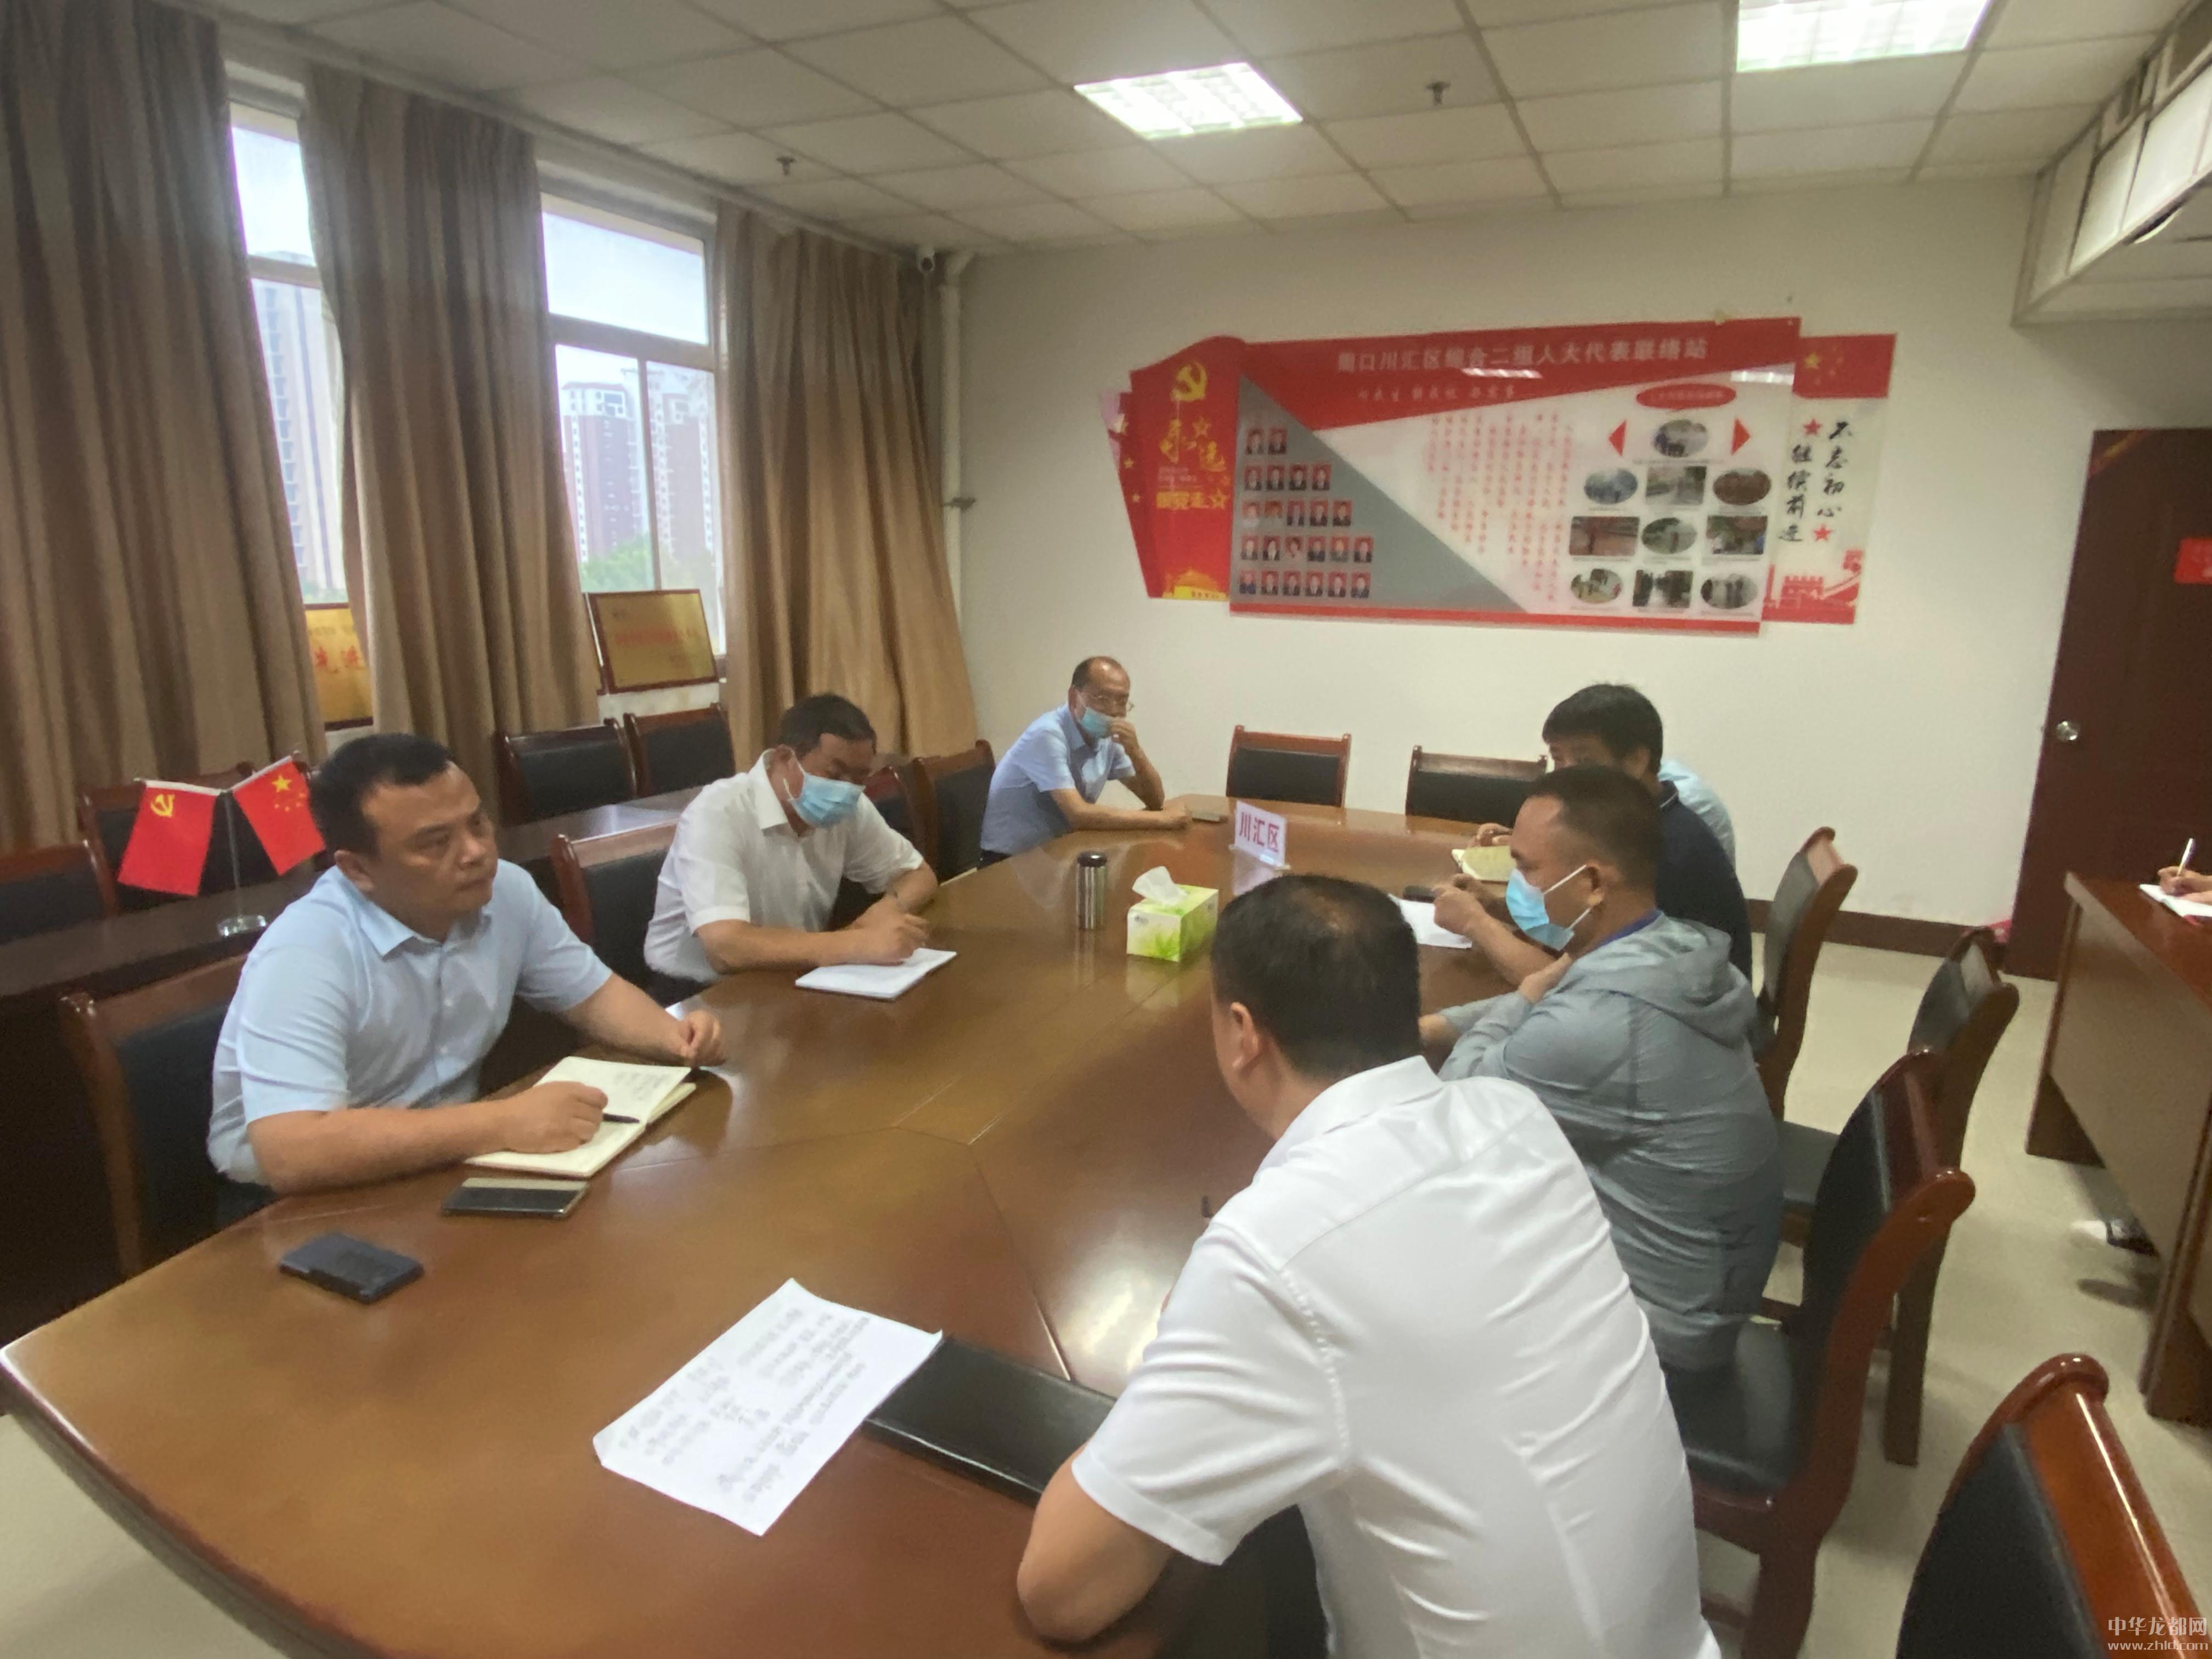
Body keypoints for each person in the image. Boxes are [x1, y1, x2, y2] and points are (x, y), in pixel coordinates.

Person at [1016, 875, 1717, 1657]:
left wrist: (1209, 1328)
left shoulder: (1277, 1250)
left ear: (1243, 1033)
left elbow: (1062, 1592)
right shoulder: (1515, 1117)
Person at [206, 735, 723, 1199]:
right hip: (298, 1202)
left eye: (477, 823)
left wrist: (672, 1037)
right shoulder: (305, 952)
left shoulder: (507, 891)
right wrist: (501, 1122)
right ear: (358, 869)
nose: (475, 852)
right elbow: (293, 1150)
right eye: (436, 843)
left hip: (446, 1155)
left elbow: (592, 995)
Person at [1422, 768, 1782, 1373]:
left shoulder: (1608, 1023)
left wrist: (1520, 998)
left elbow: (1457, 1104)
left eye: (1526, 867)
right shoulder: (1669, 944)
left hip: (1655, 1334)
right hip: (1698, 1288)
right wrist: (1436, 1027)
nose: (1514, 884)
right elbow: (1555, 996)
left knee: (1409, 1234)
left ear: (1591, 882)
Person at [1440, 682, 1751, 983]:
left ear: (1636, 761)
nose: (1566, 774)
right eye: (1558, 758)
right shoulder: (1633, 820)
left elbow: (1574, 981)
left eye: (1584, 760)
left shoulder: (1664, 848)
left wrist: (1476, 923)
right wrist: (1498, 909)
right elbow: (1583, 931)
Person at [644, 693, 935, 981]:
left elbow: (919, 875)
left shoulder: (850, 807)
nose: (847, 790)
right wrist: (854, 944)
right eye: (834, 775)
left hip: (791, 972)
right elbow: (724, 948)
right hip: (695, 990)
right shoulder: (717, 812)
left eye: (859, 778)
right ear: (785, 758)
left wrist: (886, 910)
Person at [979, 657, 1187, 861]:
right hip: (1009, 861)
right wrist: (1162, 820)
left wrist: (1136, 751)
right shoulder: (1047, 734)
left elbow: (1154, 800)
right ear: (1073, 698)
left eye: (1122, 702)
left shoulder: (1108, 736)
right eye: (1103, 699)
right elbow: (1078, 815)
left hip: (1060, 853)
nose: (1114, 711)